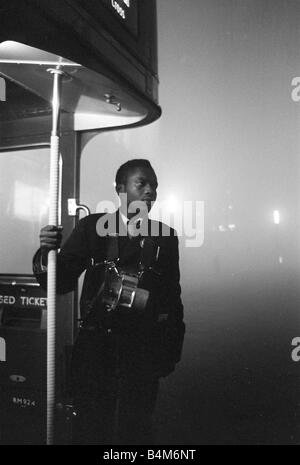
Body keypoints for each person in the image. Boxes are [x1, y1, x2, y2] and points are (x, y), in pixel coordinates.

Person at [33, 159, 185, 445]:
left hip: (141, 352)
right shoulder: (92, 227)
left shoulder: (165, 236)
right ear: (121, 189)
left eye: (154, 185)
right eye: (142, 183)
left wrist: (170, 352)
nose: (150, 191)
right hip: (96, 351)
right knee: (91, 428)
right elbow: (60, 281)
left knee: (136, 428)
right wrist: (46, 251)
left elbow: (172, 300)